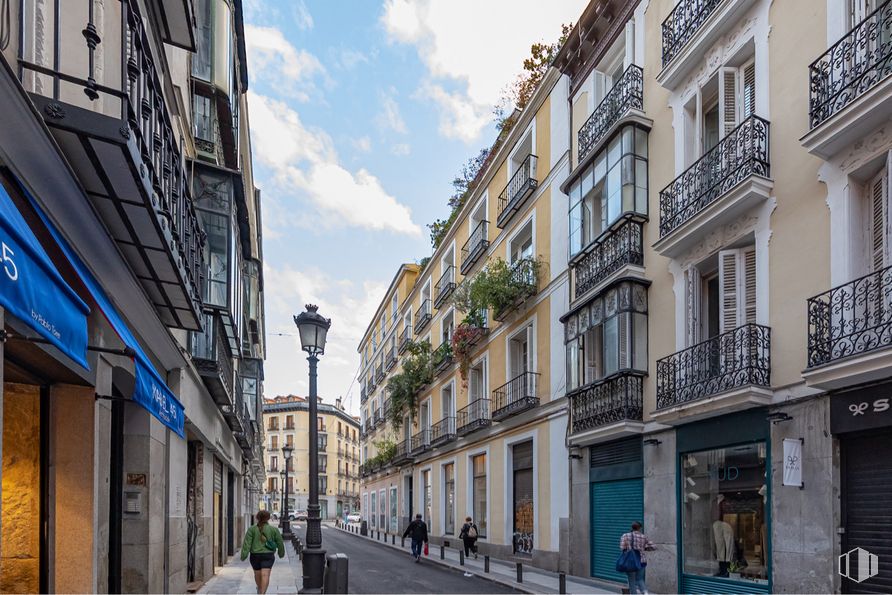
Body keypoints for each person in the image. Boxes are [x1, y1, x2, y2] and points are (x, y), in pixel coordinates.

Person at [240, 510, 285, 594]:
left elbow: (247, 544)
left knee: (257, 575)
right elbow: (280, 542)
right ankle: (262, 593)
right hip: (268, 555)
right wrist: (281, 553)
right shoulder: (273, 530)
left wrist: (243, 556)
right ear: (268, 518)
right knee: (265, 575)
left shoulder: (251, 529)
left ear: (257, 518)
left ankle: (260, 589)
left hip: (255, 556)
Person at [619, 521, 655, 595]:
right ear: (640, 528)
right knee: (640, 579)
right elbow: (653, 547)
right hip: (642, 561)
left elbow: (622, 547)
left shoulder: (625, 535)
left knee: (631, 580)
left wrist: (629, 548)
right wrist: (643, 548)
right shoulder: (643, 536)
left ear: (631, 527)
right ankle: (645, 592)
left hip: (630, 561)